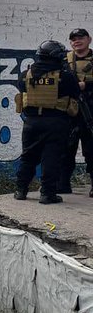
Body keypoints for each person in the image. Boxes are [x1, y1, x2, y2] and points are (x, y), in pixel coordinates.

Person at [15, 39, 81, 204]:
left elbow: (21, 89)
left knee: (28, 157)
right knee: (51, 158)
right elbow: (75, 93)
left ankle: (20, 190)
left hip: (31, 123)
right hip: (56, 122)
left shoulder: (25, 75)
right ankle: (47, 194)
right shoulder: (65, 76)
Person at [63, 26, 93, 196]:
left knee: (91, 150)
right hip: (71, 112)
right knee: (66, 149)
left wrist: (86, 85)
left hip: (90, 111)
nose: (77, 41)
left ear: (89, 40)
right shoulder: (64, 60)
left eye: (81, 38)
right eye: (73, 39)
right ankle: (63, 184)